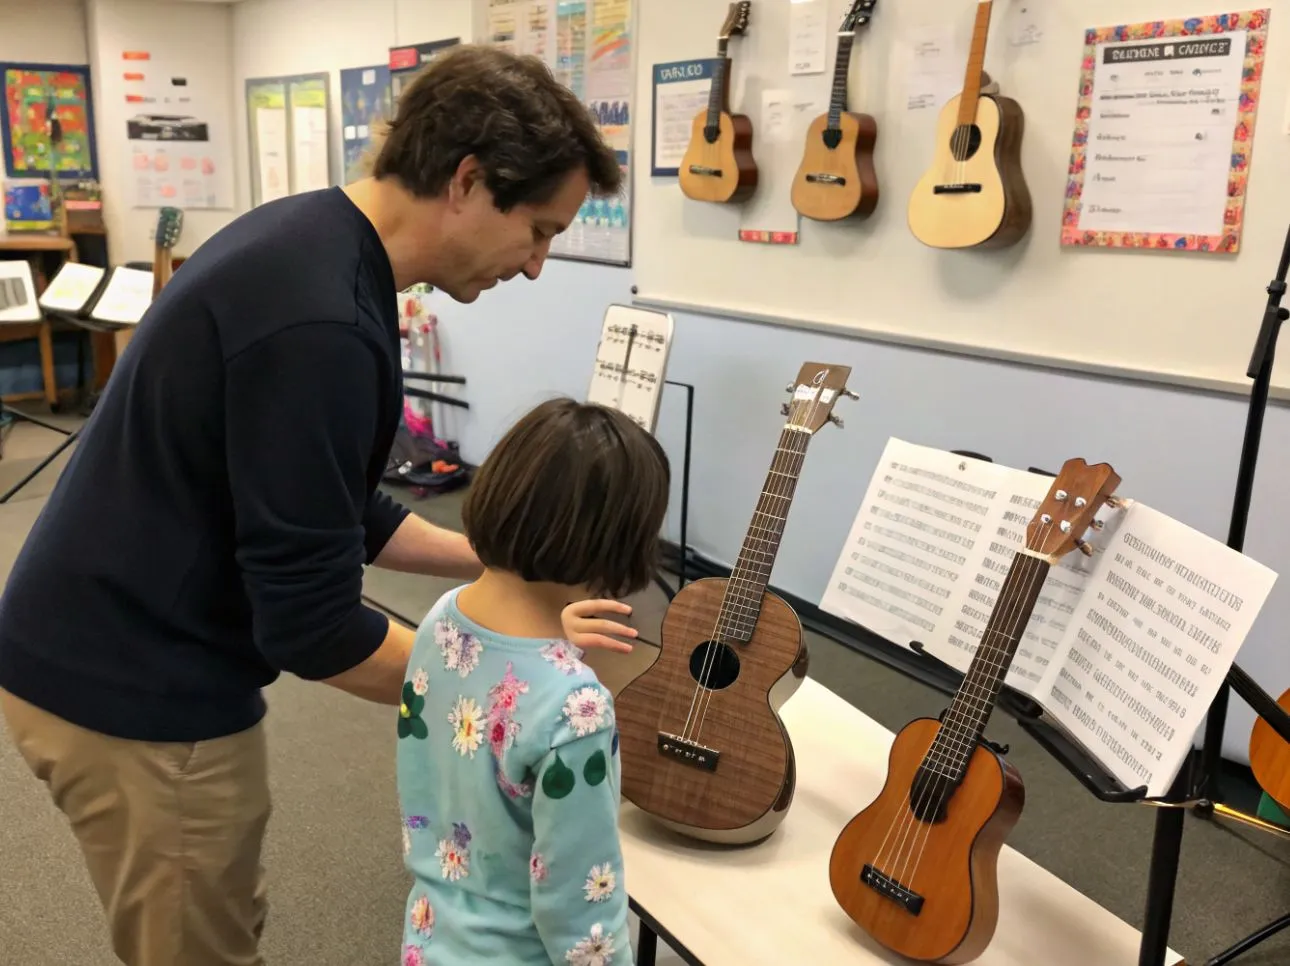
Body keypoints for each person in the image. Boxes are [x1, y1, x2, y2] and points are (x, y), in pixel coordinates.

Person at [0, 45, 629, 966]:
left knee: (221, 913)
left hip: (109, 638)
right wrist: (521, 683)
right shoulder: (321, 322)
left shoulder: (318, 241)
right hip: (130, 684)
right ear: (467, 181)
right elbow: (311, 626)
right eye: (538, 231)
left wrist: (501, 565)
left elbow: (330, 502)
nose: (537, 265)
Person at [396, 397, 668, 966]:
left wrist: (554, 644)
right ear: (620, 544)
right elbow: (579, 905)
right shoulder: (576, 708)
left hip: (430, 934)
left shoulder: (442, 619)